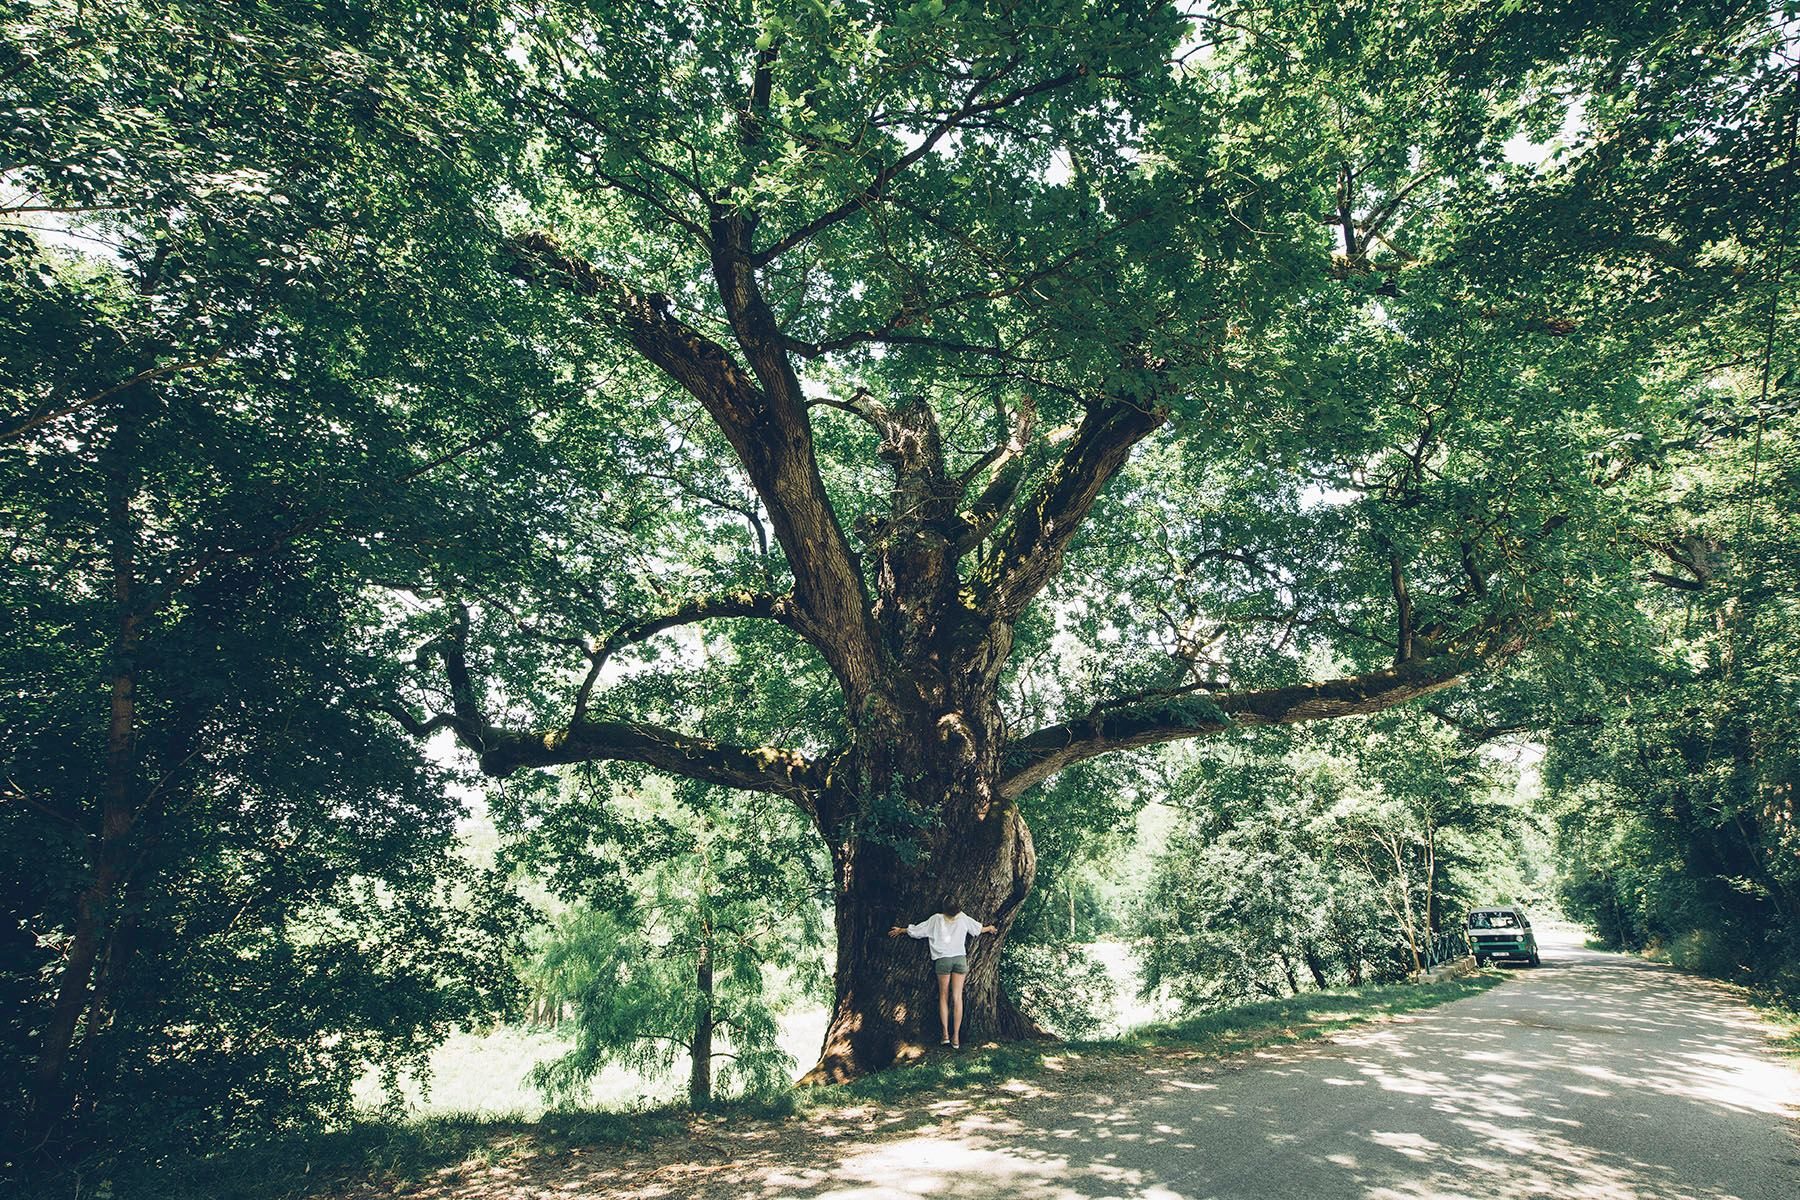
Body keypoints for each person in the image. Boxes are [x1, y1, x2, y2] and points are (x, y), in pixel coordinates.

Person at [888, 901, 997, 1049]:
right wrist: (989, 928)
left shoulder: (936, 919)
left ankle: (945, 1034)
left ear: (943, 908)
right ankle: (956, 1037)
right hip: (960, 959)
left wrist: (901, 930)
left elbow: (918, 931)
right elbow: (978, 929)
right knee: (957, 998)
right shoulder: (963, 918)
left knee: (943, 996)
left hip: (943, 960)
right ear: (958, 909)